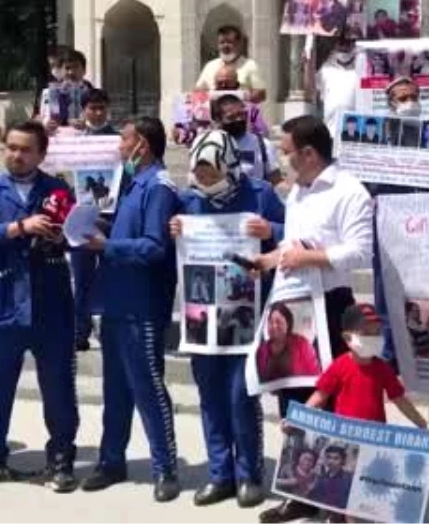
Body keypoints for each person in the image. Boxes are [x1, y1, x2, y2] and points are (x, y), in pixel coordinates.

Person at [254, 115, 373, 524]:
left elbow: (359, 252)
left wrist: (310, 257)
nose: (282, 160)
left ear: (308, 153)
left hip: (331, 303)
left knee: (335, 399)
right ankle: (300, 491)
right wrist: (267, 260)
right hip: (291, 303)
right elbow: (290, 245)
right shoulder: (297, 194)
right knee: (293, 397)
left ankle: (340, 497)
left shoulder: (348, 190)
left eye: (286, 152)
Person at [168, 129, 284, 508]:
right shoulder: (189, 201)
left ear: (229, 165)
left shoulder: (260, 194)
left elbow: (294, 237)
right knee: (211, 395)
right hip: (203, 316)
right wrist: (176, 232)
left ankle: (249, 474)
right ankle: (220, 475)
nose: (202, 178)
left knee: (240, 395)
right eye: (198, 170)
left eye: (210, 171)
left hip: (246, 312)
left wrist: (271, 231)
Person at [0, 121, 81, 493]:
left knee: (59, 387)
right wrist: (18, 227)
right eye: (11, 148)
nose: (16, 155)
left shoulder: (58, 188)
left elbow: (76, 237)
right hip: (3, 302)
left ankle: (61, 457)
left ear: (41, 154)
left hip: (50, 305)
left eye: (25, 149)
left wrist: (64, 235)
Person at [79, 117, 183, 502]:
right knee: (116, 388)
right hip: (117, 300)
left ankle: (165, 467)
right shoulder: (129, 182)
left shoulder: (159, 187)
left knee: (149, 387)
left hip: (143, 305)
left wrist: (105, 247)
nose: (117, 147)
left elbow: (155, 246)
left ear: (141, 144)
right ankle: (111, 461)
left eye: (123, 140)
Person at [296, 304, 429, 519]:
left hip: (376, 443)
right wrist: (299, 418)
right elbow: (320, 396)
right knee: (348, 496)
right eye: (366, 332)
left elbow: (400, 400)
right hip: (345, 442)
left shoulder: (382, 369)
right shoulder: (339, 366)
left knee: (375, 496)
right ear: (347, 337)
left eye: (377, 332)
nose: (373, 337)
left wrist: (423, 425)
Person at [72, 88, 119, 351]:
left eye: (102, 107)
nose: (97, 113)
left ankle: (109, 329)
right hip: (82, 214)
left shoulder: (118, 139)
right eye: (92, 108)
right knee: (82, 275)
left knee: (111, 273)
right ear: (84, 110)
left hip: (110, 215)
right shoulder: (74, 139)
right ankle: (80, 330)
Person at [213, 94, 280, 185]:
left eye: (242, 115)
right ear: (218, 119)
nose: (239, 119)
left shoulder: (262, 145)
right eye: (231, 117)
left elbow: (275, 179)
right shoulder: (210, 145)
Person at [196, 25, 266, 103]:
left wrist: (236, 97)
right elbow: (197, 92)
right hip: (214, 113)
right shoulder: (210, 66)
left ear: (239, 44)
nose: (225, 46)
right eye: (222, 42)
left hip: (240, 113)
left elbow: (261, 94)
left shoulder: (250, 65)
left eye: (229, 42)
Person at [256, 302, 319, 382]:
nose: (274, 326)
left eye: (278, 322)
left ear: (288, 323)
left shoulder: (302, 345)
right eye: (270, 322)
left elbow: (315, 375)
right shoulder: (262, 350)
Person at [315, 35, 360, 145]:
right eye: (341, 43)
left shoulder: (362, 69)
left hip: (356, 133)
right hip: (331, 132)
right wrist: (308, 61)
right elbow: (311, 90)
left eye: (348, 43)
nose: (344, 47)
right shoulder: (325, 70)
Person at [42, 49, 95, 131]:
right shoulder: (49, 93)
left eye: (76, 67)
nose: (71, 72)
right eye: (67, 68)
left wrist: (88, 124)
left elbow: (105, 121)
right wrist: (46, 124)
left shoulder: (94, 94)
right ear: (60, 71)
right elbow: (42, 117)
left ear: (84, 70)